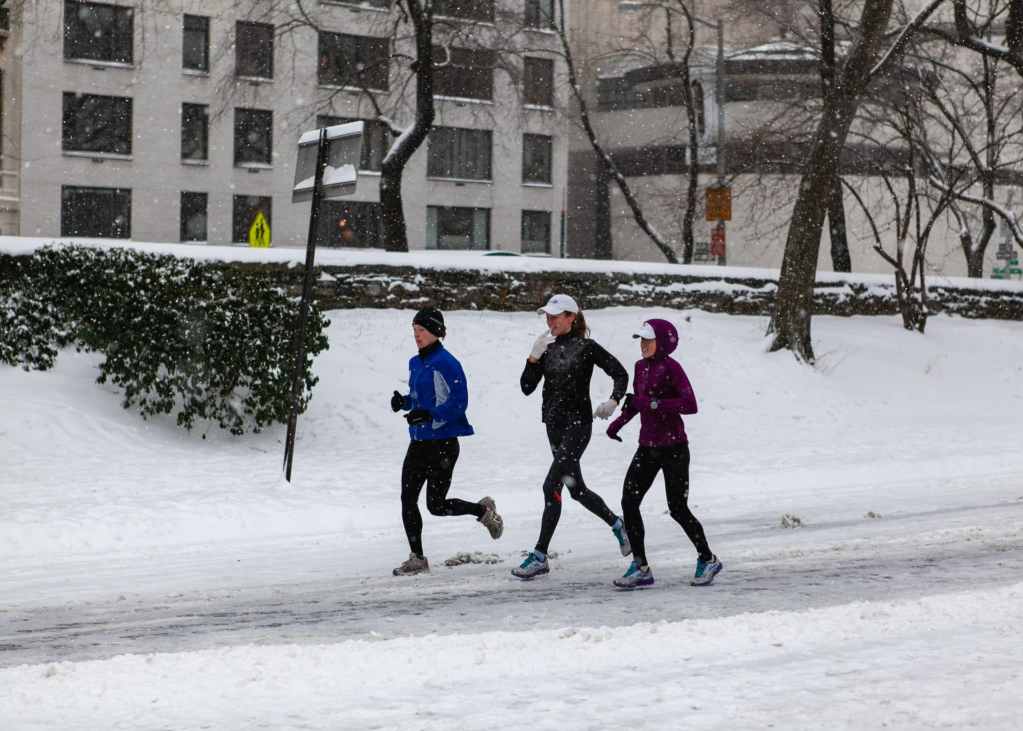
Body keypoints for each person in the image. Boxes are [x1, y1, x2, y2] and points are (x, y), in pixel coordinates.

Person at [512, 294, 631, 579]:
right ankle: (617, 524)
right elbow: (526, 387)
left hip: (578, 425)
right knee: (575, 490)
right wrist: (533, 356)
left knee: (550, 486)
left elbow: (620, 373)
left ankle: (540, 555)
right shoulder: (547, 348)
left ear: (571, 318)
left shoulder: (586, 347)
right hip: (553, 425)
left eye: (555, 316)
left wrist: (614, 401)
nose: (549, 321)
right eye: (547, 316)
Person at [605, 318, 721, 589]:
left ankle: (708, 558)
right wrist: (617, 423)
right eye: (641, 340)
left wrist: (653, 403)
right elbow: (637, 402)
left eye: (649, 339)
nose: (644, 345)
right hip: (648, 447)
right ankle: (641, 566)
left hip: (674, 448)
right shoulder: (640, 367)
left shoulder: (672, 368)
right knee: (629, 502)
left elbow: (689, 405)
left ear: (663, 342)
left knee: (678, 508)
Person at [391, 307, 504, 576]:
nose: (417, 336)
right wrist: (404, 402)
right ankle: (417, 557)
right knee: (408, 499)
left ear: (435, 332)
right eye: (414, 331)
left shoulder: (448, 363)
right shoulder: (415, 362)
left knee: (436, 506)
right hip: (418, 442)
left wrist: (429, 415)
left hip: (443, 444)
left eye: (421, 331)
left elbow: (458, 403)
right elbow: (420, 398)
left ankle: (483, 510)